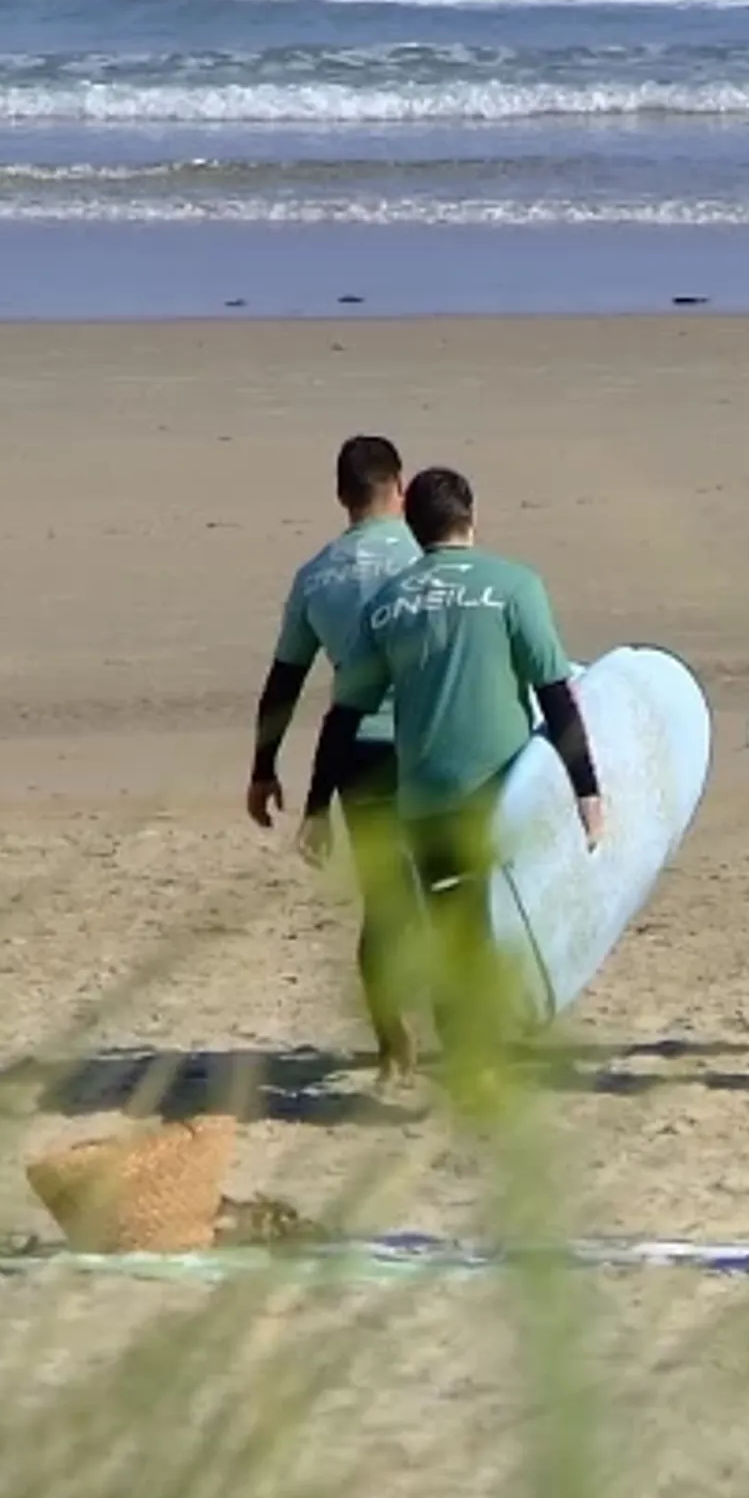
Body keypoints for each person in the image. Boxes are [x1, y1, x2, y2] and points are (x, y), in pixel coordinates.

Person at [303, 466, 604, 1085]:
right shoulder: (515, 586)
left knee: (452, 924)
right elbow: (557, 695)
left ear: (413, 528)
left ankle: (468, 1061)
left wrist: (314, 806)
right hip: (508, 793)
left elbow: (344, 716)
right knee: (506, 920)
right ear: (473, 516)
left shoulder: (387, 605)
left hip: (426, 799)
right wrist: (587, 791)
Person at [249, 436, 426, 1075]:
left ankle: (391, 1040)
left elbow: (285, 680)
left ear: (340, 495)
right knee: (457, 883)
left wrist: (264, 769)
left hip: (357, 753)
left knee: (385, 901)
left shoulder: (316, 576)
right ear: (399, 486)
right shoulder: (429, 555)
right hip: (436, 742)